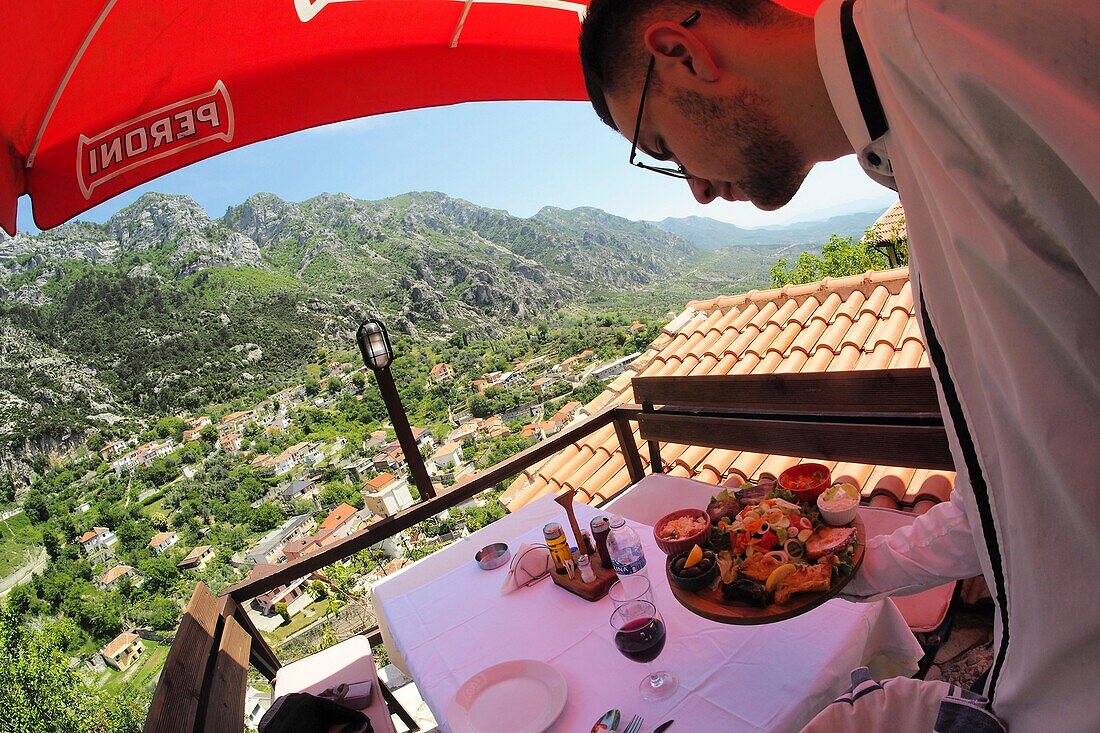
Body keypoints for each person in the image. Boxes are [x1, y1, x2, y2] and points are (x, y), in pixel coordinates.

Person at [579, 1, 1100, 731]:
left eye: (663, 147)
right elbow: (1016, 488)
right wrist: (836, 566)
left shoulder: (959, 33)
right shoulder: (912, 144)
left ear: (680, 52)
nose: (694, 187)